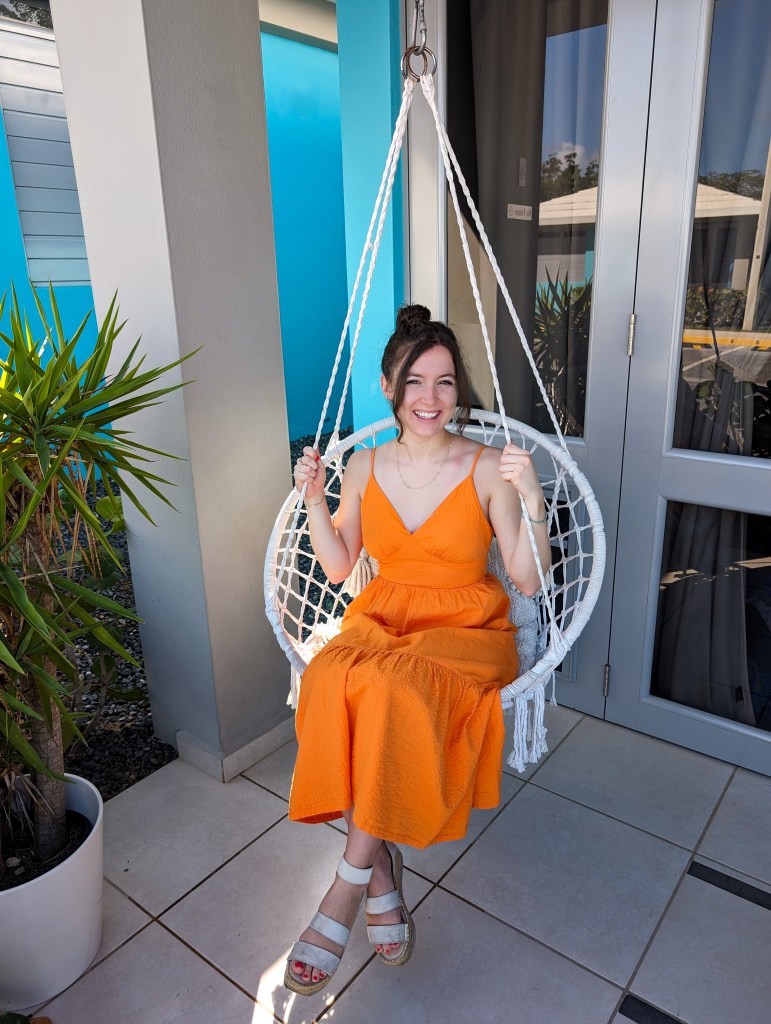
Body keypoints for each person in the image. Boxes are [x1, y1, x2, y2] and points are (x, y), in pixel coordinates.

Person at [285, 304, 551, 995]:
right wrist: (314, 498)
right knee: (327, 683)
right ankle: (379, 869)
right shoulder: (366, 465)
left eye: (443, 382)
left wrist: (532, 500)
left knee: (391, 692)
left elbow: (524, 578)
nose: (429, 399)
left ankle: (347, 890)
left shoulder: (488, 467)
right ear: (387, 388)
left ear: (457, 389)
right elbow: (341, 566)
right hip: (384, 616)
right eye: (413, 382)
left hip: (465, 627)